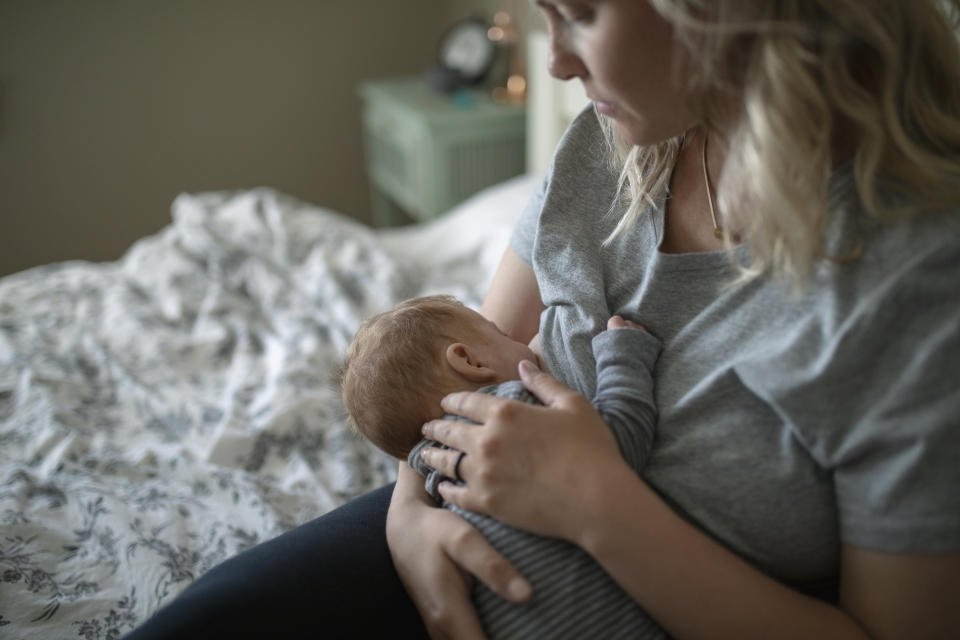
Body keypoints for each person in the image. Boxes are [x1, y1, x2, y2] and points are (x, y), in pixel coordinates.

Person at [126, 1, 960, 638]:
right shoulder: (611, 143)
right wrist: (408, 518)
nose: (554, 59)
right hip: (470, 537)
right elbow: (464, 385)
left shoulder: (917, 290)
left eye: (582, 13)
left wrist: (598, 506)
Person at [340, 294, 664, 639]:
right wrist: (625, 357)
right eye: (503, 336)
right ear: (469, 361)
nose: (523, 341)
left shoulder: (437, 482)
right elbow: (619, 450)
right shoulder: (510, 413)